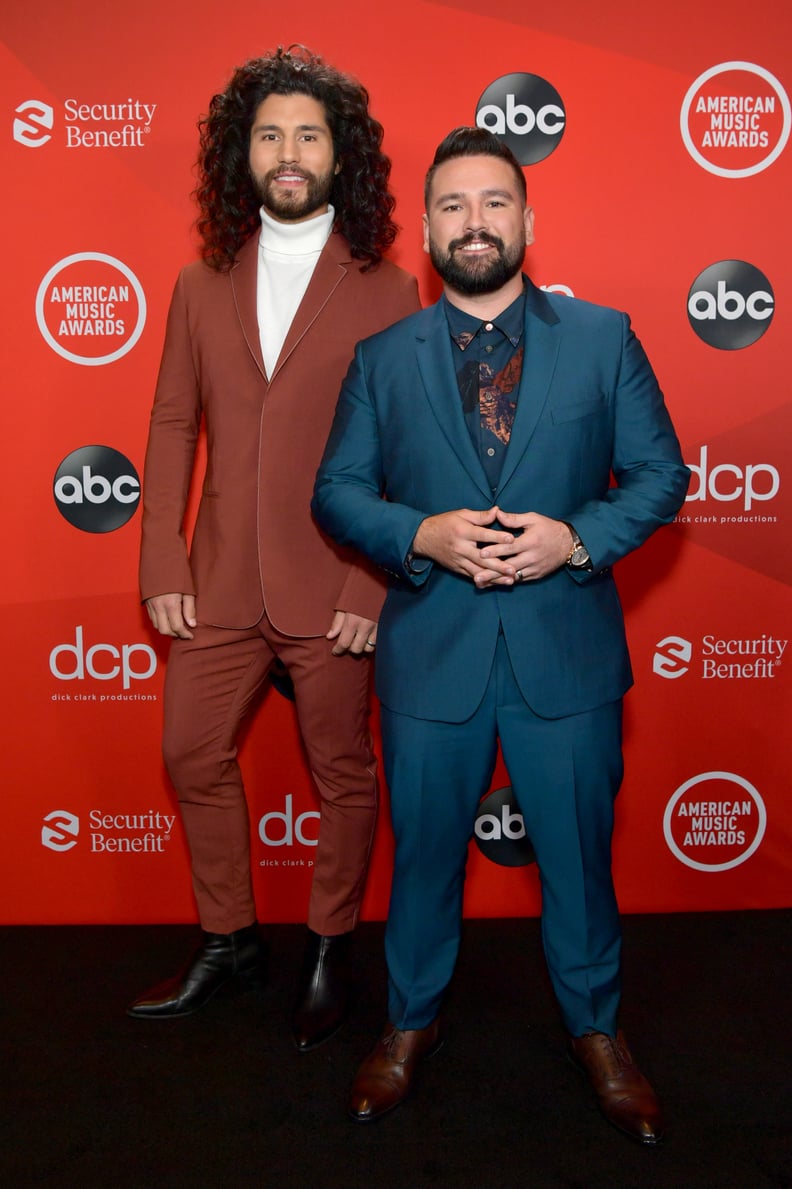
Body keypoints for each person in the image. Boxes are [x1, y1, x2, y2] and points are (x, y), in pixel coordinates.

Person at [313, 127, 690, 1141]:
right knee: (425, 855)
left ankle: (597, 1029)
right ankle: (409, 1021)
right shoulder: (383, 359)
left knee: (578, 857)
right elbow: (339, 490)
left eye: (492, 202)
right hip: (432, 654)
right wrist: (420, 533)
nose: (473, 223)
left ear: (526, 219)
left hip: (564, 651)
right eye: (451, 205)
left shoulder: (604, 338)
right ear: (427, 225)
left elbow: (661, 476)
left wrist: (574, 539)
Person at [128, 46, 419, 1052]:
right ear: (238, 154)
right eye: (268, 135)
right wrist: (161, 560)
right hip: (215, 580)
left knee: (343, 770)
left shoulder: (386, 284)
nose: (287, 153)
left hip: (333, 578)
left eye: (308, 134)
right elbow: (172, 425)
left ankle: (331, 945)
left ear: (341, 157)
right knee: (189, 751)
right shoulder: (201, 278)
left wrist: (370, 577)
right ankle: (230, 939)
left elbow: (410, 447)